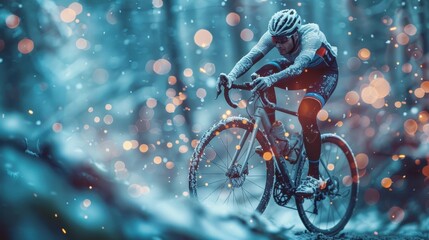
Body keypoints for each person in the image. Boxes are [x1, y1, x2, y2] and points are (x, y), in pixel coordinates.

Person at [216, 9, 338, 197]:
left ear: (295, 35)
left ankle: (313, 176)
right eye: (276, 41)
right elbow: (251, 57)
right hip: (300, 72)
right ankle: (278, 138)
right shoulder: (274, 36)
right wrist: (230, 77)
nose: (279, 45)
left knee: (306, 113)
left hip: (323, 74)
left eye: (284, 40)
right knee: (262, 73)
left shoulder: (311, 36)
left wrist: (271, 80)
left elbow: (298, 67)